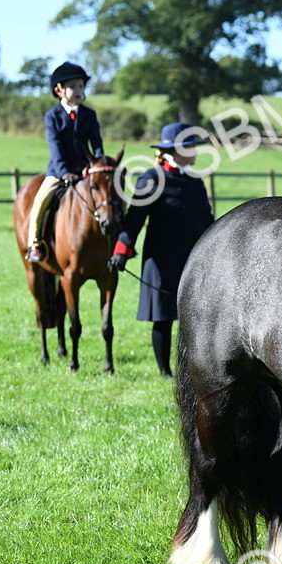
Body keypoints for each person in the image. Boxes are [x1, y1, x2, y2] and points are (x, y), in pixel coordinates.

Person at [108, 123, 214, 376]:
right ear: (177, 150)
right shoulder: (151, 178)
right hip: (162, 257)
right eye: (191, 146)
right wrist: (121, 250)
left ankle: (192, 368)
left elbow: (208, 220)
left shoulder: (195, 181)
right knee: (163, 317)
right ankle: (165, 372)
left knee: (194, 316)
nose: (196, 151)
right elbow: (135, 220)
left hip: (193, 258)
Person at [25, 62, 104, 263]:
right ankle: (35, 243)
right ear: (59, 90)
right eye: (73, 86)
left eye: (81, 86)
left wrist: (99, 164)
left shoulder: (89, 115)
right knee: (41, 199)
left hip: (87, 170)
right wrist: (63, 171)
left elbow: (97, 143)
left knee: (110, 196)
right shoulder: (53, 116)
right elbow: (55, 147)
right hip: (59, 171)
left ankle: (116, 239)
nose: (79, 90)